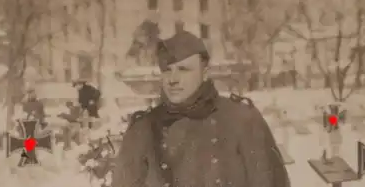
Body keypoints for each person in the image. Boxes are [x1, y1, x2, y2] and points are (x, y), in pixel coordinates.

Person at [112, 30, 290, 187]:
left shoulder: (242, 121)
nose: (173, 79)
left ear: (205, 73)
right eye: (167, 70)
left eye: (183, 69)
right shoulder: (144, 129)